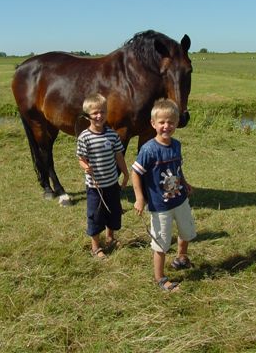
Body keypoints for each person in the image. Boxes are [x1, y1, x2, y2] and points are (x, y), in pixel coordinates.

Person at [132, 98, 196, 291]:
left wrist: (185, 183)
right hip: (160, 206)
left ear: (176, 123)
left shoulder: (176, 145)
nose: (166, 126)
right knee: (161, 242)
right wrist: (140, 198)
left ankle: (181, 258)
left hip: (180, 199)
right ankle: (160, 278)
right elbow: (136, 172)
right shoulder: (148, 149)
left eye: (170, 122)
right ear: (153, 124)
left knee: (186, 231)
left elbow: (177, 169)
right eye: (162, 122)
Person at [77, 93, 129, 260]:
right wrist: (86, 167)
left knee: (113, 211)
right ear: (87, 116)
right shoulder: (84, 137)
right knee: (96, 215)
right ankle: (95, 247)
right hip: (95, 187)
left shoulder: (112, 135)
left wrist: (126, 174)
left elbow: (119, 156)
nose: (99, 116)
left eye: (103, 112)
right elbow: (81, 159)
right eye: (95, 113)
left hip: (112, 183)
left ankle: (110, 238)